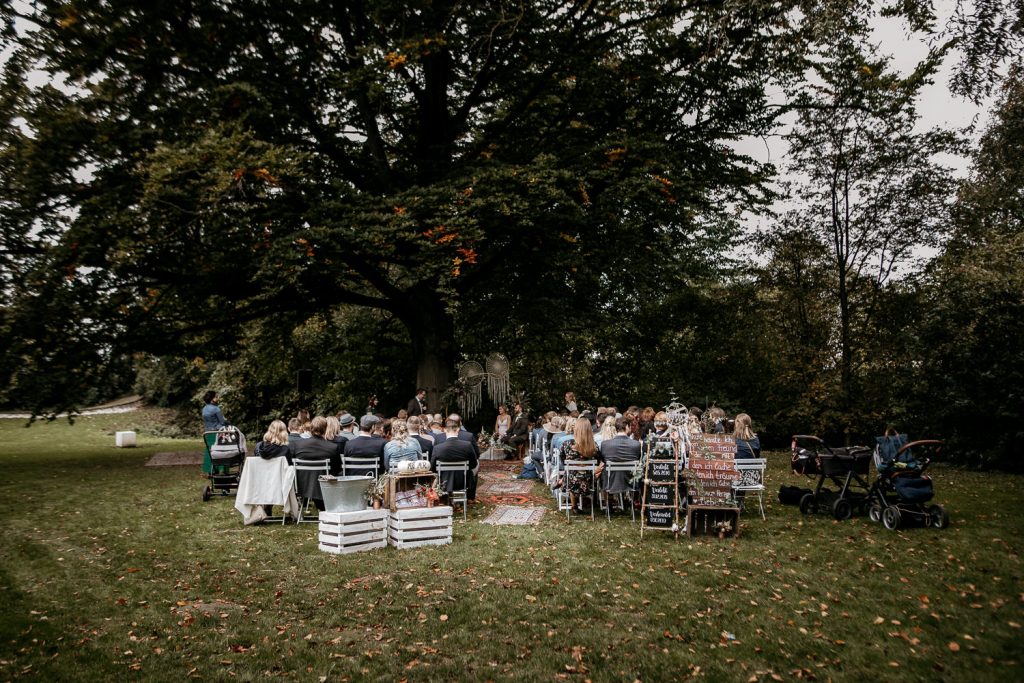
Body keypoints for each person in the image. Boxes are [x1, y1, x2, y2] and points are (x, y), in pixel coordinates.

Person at [290, 416, 343, 510]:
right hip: (324, 486)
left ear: (311, 428)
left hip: (302, 486)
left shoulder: (298, 445)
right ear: (325, 429)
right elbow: (337, 469)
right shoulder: (332, 447)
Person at [431, 417, 479, 502]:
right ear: (458, 430)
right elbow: (474, 464)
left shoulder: (438, 448)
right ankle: (469, 497)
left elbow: (433, 467)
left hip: (444, 481)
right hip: (463, 480)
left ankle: (444, 499)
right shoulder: (467, 445)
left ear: (445, 430)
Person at [559, 416, 601, 513]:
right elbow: (598, 461)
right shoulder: (594, 446)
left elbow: (563, 460)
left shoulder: (567, 444)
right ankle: (588, 503)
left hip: (571, 483)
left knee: (571, 472)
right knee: (578, 473)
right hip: (589, 482)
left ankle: (574, 506)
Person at [600, 416, 642, 503]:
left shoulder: (605, 444)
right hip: (630, 481)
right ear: (627, 427)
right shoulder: (636, 444)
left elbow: (603, 461)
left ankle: (609, 503)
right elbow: (638, 459)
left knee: (604, 470)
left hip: (611, 481)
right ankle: (633, 502)